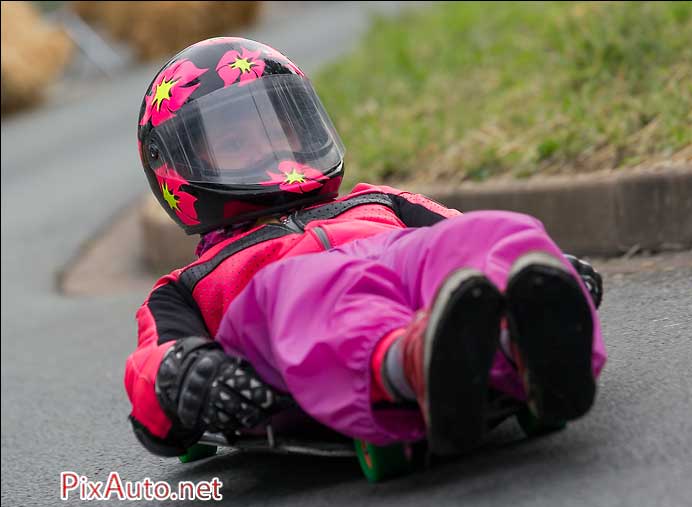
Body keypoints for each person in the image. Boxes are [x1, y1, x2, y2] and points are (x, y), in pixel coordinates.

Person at [125, 37, 607, 458]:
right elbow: (153, 365)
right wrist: (187, 376)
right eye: (235, 140)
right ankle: (412, 364)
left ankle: (519, 339)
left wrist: (539, 263)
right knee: (311, 290)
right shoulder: (188, 287)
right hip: (303, 317)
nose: (267, 147)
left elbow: (464, 236)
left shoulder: (377, 202)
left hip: (414, 282)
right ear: (176, 165)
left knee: (491, 233)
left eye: (277, 127)